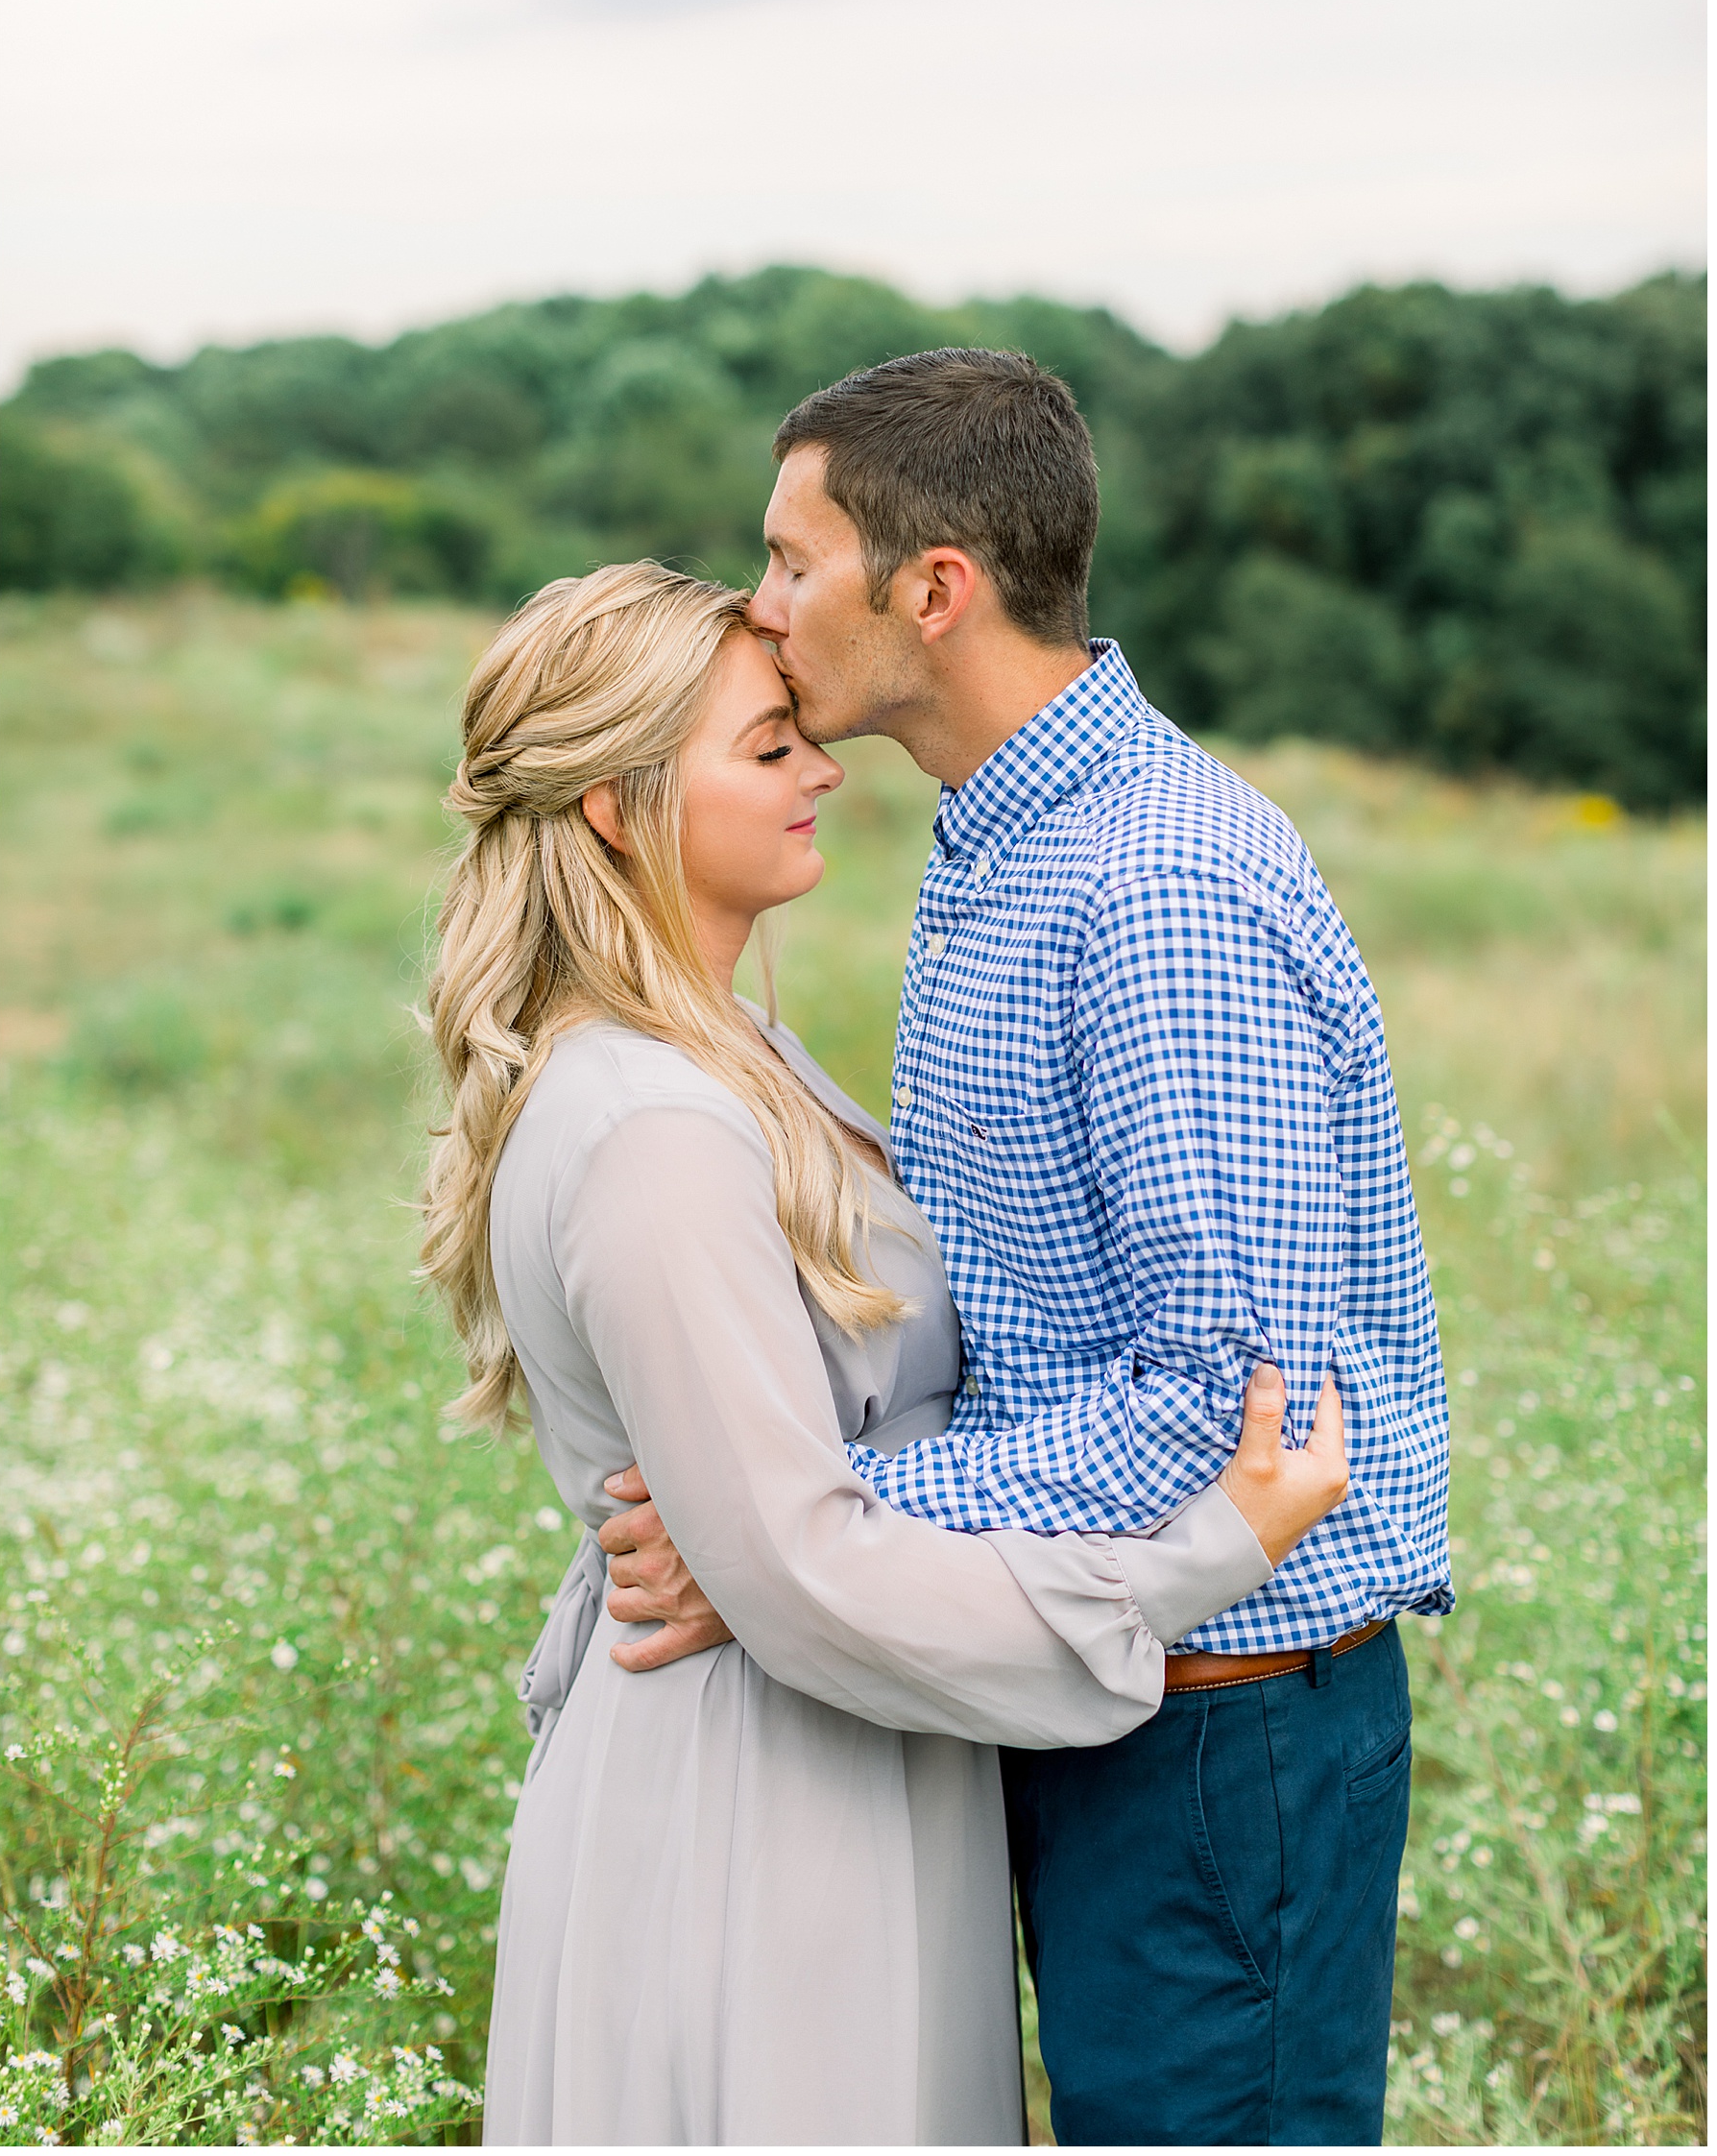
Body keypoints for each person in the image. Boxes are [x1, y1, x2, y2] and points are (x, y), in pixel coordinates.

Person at [602, 350, 1455, 2146]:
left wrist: (795, 1516)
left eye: (790, 560)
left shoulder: (1157, 890)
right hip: (1086, 1687)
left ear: (933, 589)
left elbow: (1216, 1417)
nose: (760, 607)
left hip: (1226, 1736)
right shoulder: (1008, 845)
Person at [420, 560, 1349, 2146]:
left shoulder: (731, 1053)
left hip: (846, 1756)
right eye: (766, 746)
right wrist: (1199, 1554)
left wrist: (775, 1525)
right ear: (620, 809)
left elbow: (784, 1526)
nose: (823, 770)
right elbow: (803, 1571)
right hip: (755, 1809)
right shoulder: (648, 1124)